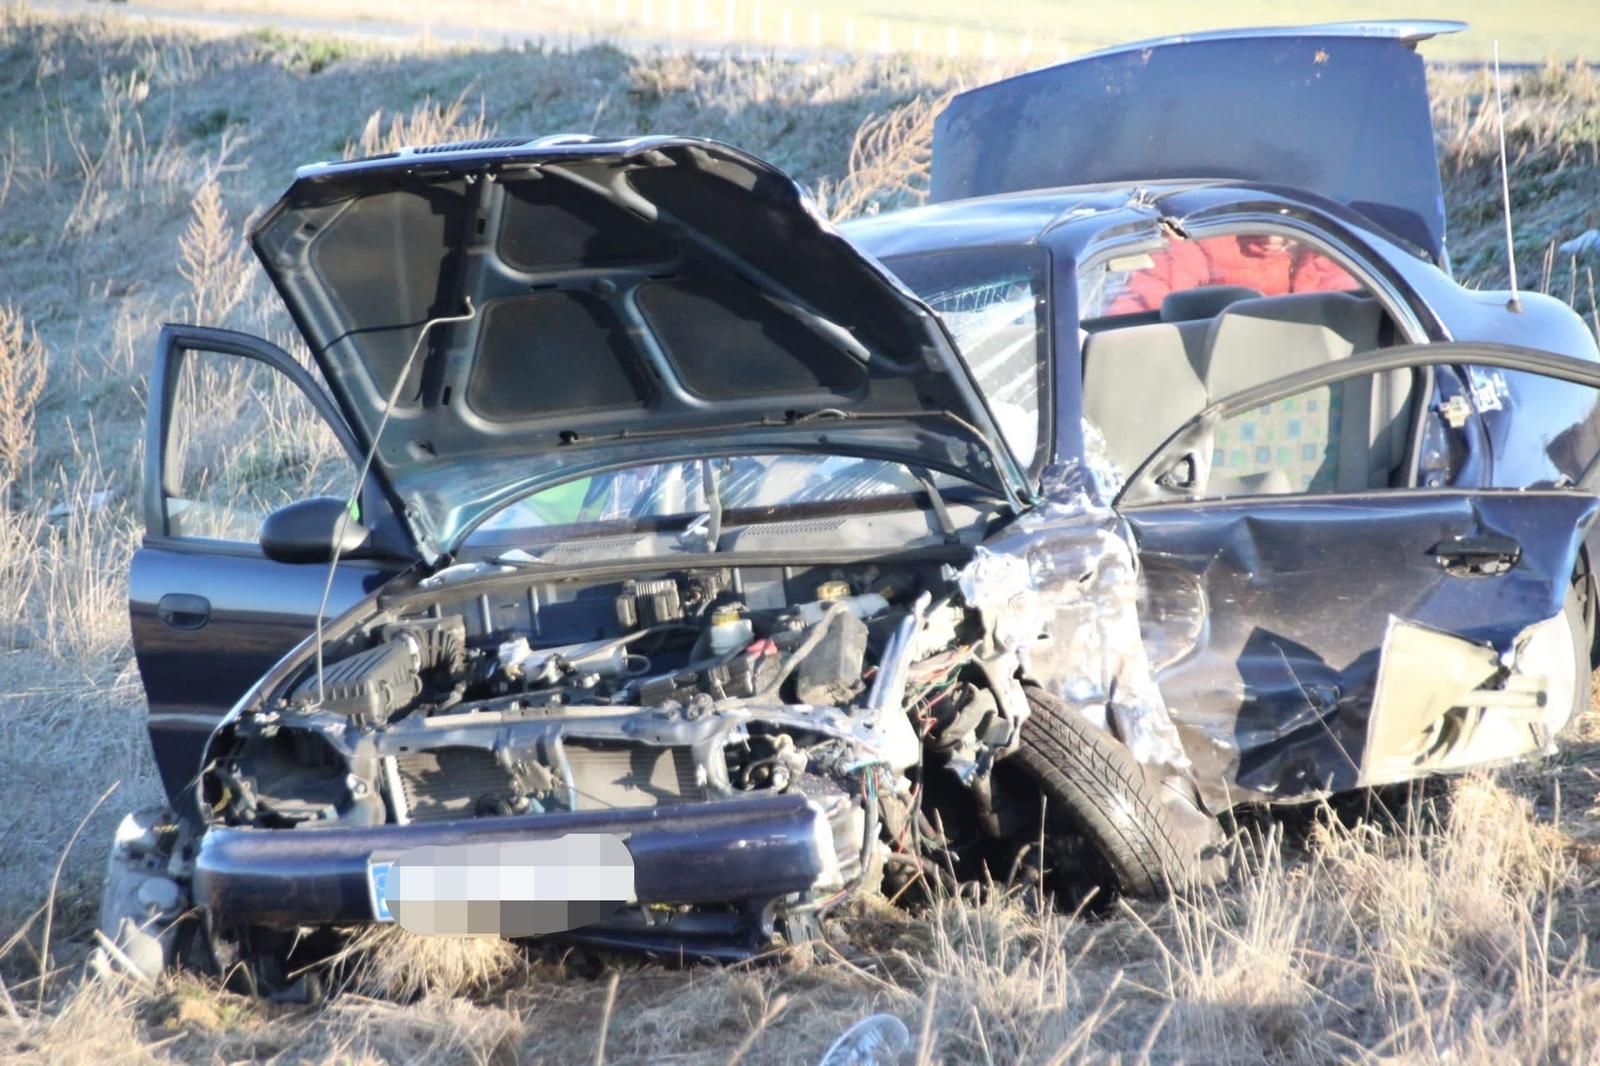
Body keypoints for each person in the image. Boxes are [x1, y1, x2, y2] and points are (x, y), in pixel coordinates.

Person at [1106, 233, 1358, 315]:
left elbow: (1353, 313)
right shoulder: (1201, 240)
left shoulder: (1332, 249)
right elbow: (1141, 305)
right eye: (1260, 206)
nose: (1272, 236)